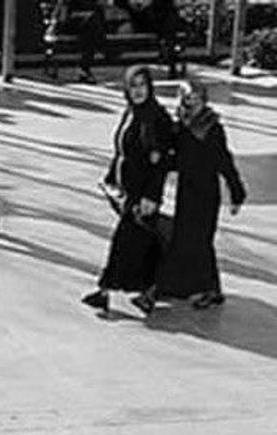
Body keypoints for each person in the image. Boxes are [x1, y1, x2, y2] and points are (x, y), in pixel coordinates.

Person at [135, 77, 243, 314]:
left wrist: (236, 190)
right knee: (197, 242)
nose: (191, 103)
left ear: (204, 100)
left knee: (189, 242)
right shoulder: (181, 125)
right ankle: (211, 289)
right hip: (187, 191)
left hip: (206, 193)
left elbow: (224, 160)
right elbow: (176, 156)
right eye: (187, 99)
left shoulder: (212, 127)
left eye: (196, 98)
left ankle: (155, 292)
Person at [83, 65, 174, 314]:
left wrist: (151, 196)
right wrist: (111, 178)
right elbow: (121, 151)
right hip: (127, 190)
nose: (138, 91)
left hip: (142, 194)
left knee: (123, 241)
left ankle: (105, 289)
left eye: (142, 85)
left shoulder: (156, 117)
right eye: (133, 86)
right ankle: (150, 291)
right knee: (144, 244)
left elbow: (160, 162)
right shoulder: (131, 113)